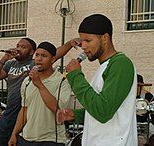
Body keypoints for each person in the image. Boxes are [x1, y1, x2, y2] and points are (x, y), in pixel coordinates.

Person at [56, 14, 138, 146]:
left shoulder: (121, 64)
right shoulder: (104, 67)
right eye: (82, 41)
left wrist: (76, 76)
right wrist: (76, 115)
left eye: (88, 41)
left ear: (105, 38)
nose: (83, 46)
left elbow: (103, 111)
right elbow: (109, 108)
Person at [0, 38, 74, 146]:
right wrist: (4, 59)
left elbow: (55, 53)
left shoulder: (34, 64)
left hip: (31, 115)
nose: (18, 49)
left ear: (31, 52)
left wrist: (70, 43)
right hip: (11, 112)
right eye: (18, 46)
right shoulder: (11, 65)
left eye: (23, 47)